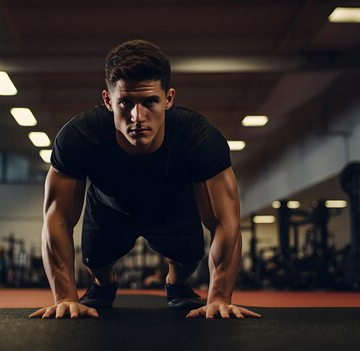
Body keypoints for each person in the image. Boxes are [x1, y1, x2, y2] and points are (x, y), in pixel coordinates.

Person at [29, 39, 261, 320]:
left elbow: (226, 222)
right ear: (107, 100)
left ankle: (176, 285)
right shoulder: (79, 137)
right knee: (96, 263)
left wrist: (220, 298)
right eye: (125, 102)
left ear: (169, 98)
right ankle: (104, 284)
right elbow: (57, 218)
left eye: (150, 101)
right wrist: (65, 297)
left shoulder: (200, 139)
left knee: (188, 260)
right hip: (108, 209)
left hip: (174, 208)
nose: (137, 116)